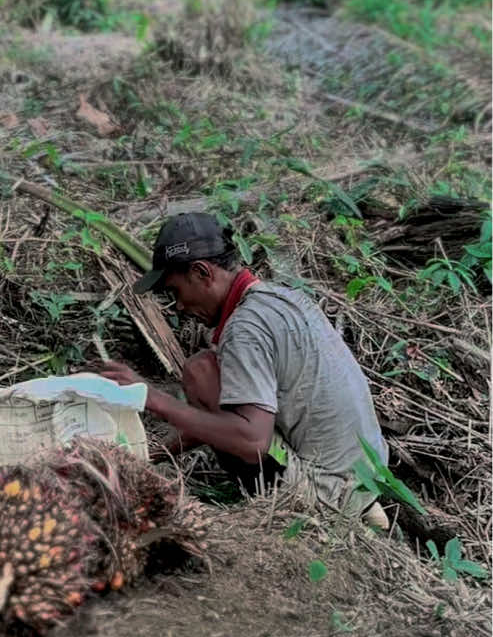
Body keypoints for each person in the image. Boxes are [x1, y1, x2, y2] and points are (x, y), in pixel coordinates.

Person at [100, 212, 390, 525]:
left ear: (202, 273)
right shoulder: (280, 298)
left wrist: (154, 399)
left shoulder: (246, 328)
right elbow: (230, 417)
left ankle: (316, 507)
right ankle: (364, 506)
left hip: (324, 493)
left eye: (175, 292)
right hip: (367, 474)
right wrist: (154, 452)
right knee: (208, 371)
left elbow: (252, 442)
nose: (180, 307)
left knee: (201, 375)